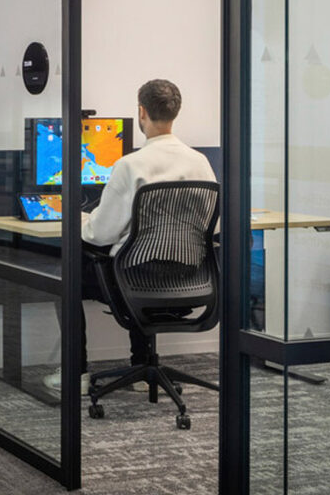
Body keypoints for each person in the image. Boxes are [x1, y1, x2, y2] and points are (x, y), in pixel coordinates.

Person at [46, 79, 216, 394]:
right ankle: (140, 364)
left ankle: (78, 374)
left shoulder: (130, 165)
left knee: (65, 279)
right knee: (144, 261)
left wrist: (83, 220)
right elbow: (211, 228)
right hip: (190, 280)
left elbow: (100, 234)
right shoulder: (201, 163)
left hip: (135, 282)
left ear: (141, 112)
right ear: (175, 113)